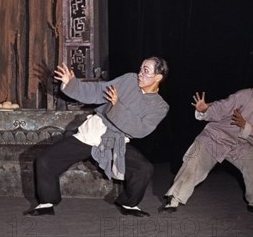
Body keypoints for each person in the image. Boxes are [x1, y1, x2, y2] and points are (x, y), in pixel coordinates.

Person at [25, 57, 169, 217]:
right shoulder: (129, 80)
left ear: (158, 77)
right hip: (92, 133)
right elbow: (99, 90)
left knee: (143, 169)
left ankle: (129, 204)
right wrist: (71, 83)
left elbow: (141, 129)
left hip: (115, 141)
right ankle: (47, 201)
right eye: (141, 68)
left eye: (146, 71)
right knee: (45, 160)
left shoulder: (160, 106)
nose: (140, 74)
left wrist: (117, 107)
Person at [159, 66, 253, 215]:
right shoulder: (246, 95)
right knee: (194, 162)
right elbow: (222, 107)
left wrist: (246, 126)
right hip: (216, 137)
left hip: (241, 146)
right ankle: (173, 199)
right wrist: (204, 110)